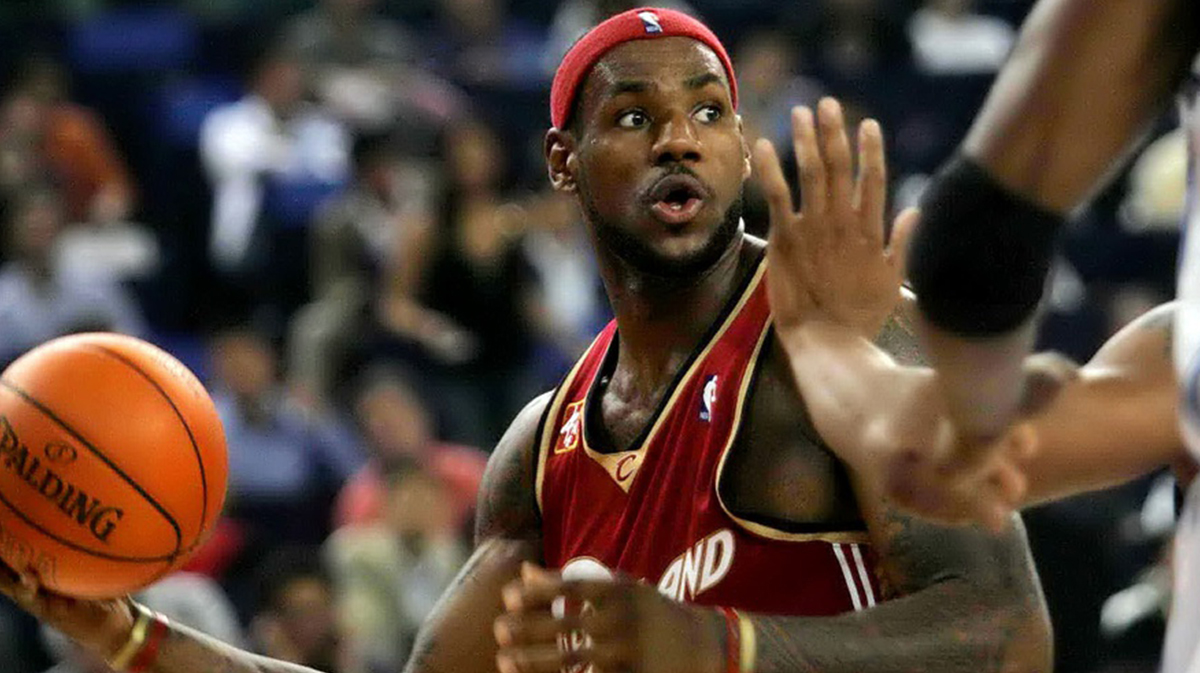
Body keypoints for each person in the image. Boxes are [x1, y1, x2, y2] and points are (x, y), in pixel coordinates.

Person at [0, 8, 1051, 673]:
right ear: (561, 161)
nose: (679, 135)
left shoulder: (837, 330)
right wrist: (131, 636)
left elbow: (1007, 634)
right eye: (633, 117)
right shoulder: (541, 455)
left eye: (709, 110)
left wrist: (720, 648)